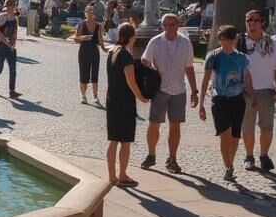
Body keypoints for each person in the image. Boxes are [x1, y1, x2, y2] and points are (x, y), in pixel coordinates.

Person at [140, 13, 198, 174]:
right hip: (160, 89)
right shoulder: (156, 41)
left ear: (177, 25)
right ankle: (151, 154)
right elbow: (144, 60)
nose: (167, 28)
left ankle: (172, 158)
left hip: (179, 90)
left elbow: (189, 67)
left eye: (171, 25)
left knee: (175, 125)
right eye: (164, 25)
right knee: (154, 123)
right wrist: (152, 70)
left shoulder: (185, 43)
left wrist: (194, 91)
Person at [198, 25, 257, 182]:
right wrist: (201, 104)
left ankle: (230, 162)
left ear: (235, 40)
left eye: (231, 39)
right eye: (224, 39)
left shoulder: (243, 58)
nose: (228, 43)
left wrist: (254, 98)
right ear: (220, 40)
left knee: (235, 135)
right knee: (225, 133)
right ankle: (228, 166)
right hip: (220, 99)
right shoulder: (213, 57)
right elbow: (205, 80)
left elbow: (248, 80)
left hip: (237, 99)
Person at [238, 10, 276, 173]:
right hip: (245, 91)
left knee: (267, 127)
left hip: (266, 90)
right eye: (248, 20)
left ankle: (264, 155)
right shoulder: (240, 41)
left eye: (255, 20)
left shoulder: (272, 42)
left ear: (261, 22)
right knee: (247, 127)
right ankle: (249, 156)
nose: (251, 23)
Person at [106, 22, 149, 187]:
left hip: (112, 99)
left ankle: (111, 176)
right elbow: (131, 81)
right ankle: (122, 175)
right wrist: (142, 98)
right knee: (125, 141)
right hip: (124, 102)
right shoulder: (126, 56)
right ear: (132, 36)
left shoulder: (113, 51)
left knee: (113, 139)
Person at [0, 0, 21, 98]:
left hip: (11, 47)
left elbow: (15, 31)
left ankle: (12, 90)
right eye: (9, 5)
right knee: (0, 68)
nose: (11, 8)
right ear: (6, 6)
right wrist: (3, 38)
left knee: (13, 69)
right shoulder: (2, 16)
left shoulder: (15, 18)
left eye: (13, 5)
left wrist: (14, 43)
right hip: (1, 46)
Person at [74, 5, 107, 105]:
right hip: (84, 51)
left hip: (94, 52)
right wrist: (82, 37)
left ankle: (95, 96)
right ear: (85, 13)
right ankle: (83, 96)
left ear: (94, 15)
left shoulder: (98, 26)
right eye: (88, 12)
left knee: (95, 74)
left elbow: (100, 39)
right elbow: (76, 38)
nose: (90, 14)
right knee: (84, 74)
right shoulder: (81, 24)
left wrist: (104, 48)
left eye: (92, 12)